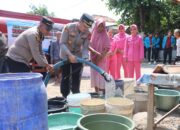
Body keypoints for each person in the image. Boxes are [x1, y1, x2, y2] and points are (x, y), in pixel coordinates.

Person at [59, 13, 94, 98]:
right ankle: (65, 96)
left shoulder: (88, 33)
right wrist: (70, 55)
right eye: (84, 26)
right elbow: (62, 43)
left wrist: (85, 57)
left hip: (78, 56)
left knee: (76, 77)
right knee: (65, 77)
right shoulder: (68, 27)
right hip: (65, 55)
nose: (85, 29)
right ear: (80, 21)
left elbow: (85, 48)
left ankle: (76, 95)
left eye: (87, 27)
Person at [90, 19, 110, 94]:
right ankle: (96, 93)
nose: (100, 28)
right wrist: (94, 58)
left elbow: (107, 48)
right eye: (99, 26)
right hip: (93, 60)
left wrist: (100, 57)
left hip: (101, 60)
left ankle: (103, 93)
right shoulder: (93, 34)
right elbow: (89, 46)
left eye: (102, 26)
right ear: (96, 26)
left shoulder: (105, 35)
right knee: (95, 77)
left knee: (101, 76)